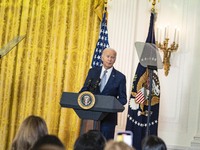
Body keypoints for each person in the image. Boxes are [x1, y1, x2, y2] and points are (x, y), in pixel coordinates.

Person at [80, 47, 127, 140]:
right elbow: (84, 90)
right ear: (102, 57)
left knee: (105, 144)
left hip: (108, 119)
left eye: (112, 57)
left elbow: (123, 99)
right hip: (90, 116)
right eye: (108, 56)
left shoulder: (120, 77)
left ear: (115, 60)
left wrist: (110, 103)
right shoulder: (93, 72)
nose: (110, 59)